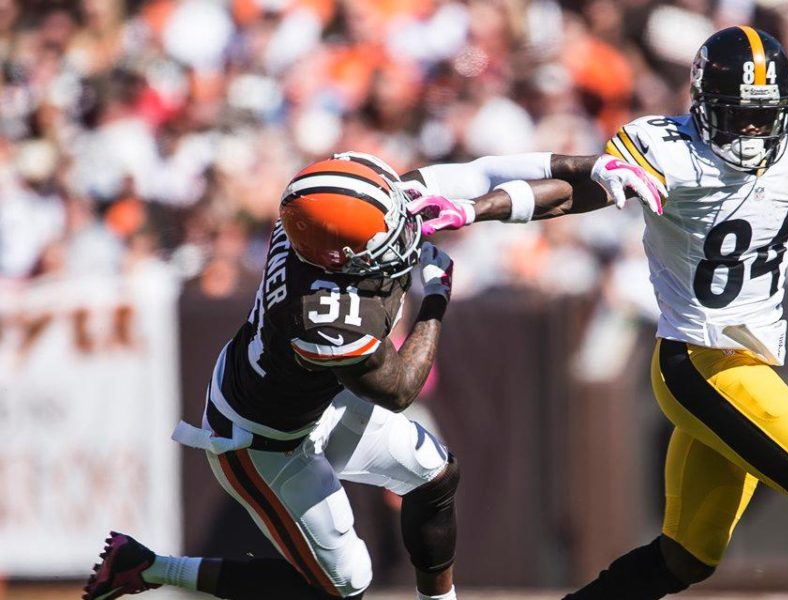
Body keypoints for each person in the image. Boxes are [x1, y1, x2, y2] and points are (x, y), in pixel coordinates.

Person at [417, 26, 788, 600]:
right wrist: (476, 208)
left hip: (751, 361)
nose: (753, 131)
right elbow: (572, 193)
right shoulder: (670, 152)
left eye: (764, 116)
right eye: (738, 116)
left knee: (685, 559)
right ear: (705, 107)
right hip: (700, 360)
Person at [82, 150, 663, 600]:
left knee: (435, 475)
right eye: (386, 241)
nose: (405, 239)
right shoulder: (321, 315)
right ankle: (149, 566)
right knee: (342, 588)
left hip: (310, 399)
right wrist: (437, 297)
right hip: (262, 441)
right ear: (341, 260)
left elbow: (483, 169)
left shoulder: (340, 217)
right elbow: (399, 387)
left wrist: (595, 166)